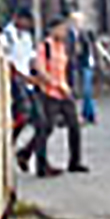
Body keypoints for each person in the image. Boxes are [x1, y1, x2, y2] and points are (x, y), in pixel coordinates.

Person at [21, 17, 87, 176]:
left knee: (74, 125)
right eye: (61, 29)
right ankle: (36, 161)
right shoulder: (45, 47)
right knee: (46, 128)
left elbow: (64, 69)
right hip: (49, 92)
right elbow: (40, 70)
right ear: (52, 29)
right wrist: (55, 84)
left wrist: (67, 86)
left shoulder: (62, 47)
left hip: (64, 91)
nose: (64, 32)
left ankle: (75, 161)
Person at [2, 9, 39, 152]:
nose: (27, 24)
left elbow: (30, 57)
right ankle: (7, 142)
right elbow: (6, 62)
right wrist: (25, 78)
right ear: (17, 18)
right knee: (22, 114)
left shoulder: (27, 36)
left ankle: (23, 151)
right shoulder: (6, 36)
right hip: (14, 82)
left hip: (27, 82)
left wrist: (38, 75)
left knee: (40, 120)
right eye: (25, 21)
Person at [69, 11, 99, 125]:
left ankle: (87, 114)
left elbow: (96, 46)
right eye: (75, 21)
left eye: (79, 21)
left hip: (86, 63)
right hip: (73, 65)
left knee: (87, 90)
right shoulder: (69, 34)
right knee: (74, 90)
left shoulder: (87, 33)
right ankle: (88, 115)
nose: (77, 23)